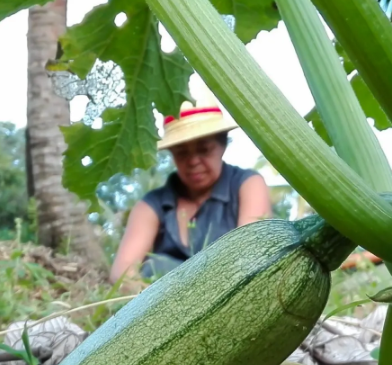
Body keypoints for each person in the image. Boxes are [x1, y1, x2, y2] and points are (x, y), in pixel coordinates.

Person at [109, 103, 272, 285]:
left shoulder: (248, 185)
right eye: (182, 152)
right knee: (154, 266)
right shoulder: (151, 205)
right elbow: (122, 273)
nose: (193, 161)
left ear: (222, 145)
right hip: (164, 306)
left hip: (232, 293)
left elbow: (252, 256)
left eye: (204, 149)